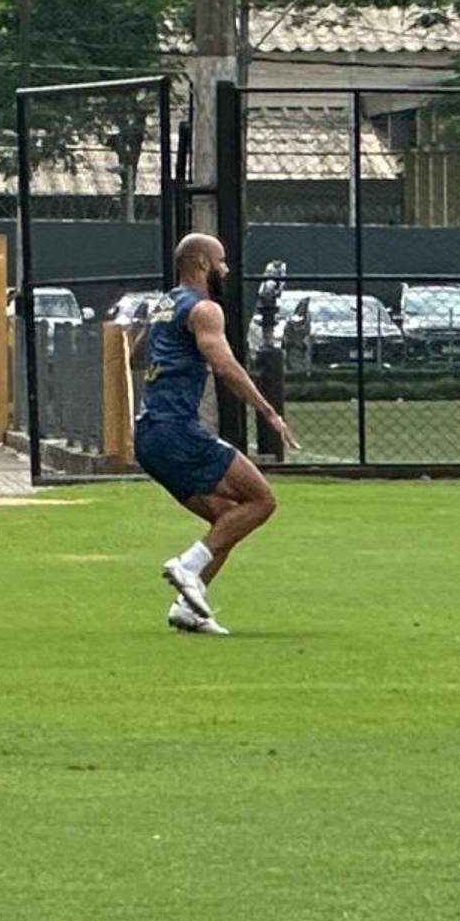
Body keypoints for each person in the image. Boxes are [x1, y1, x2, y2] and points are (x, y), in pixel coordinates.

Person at [133, 233, 294, 636]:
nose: (227, 270)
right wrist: (269, 412)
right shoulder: (204, 309)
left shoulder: (164, 305)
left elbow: (137, 352)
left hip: (149, 435)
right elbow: (226, 367)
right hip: (175, 430)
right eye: (221, 262)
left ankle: (188, 607)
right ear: (203, 263)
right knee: (261, 499)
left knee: (227, 518)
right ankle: (187, 567)